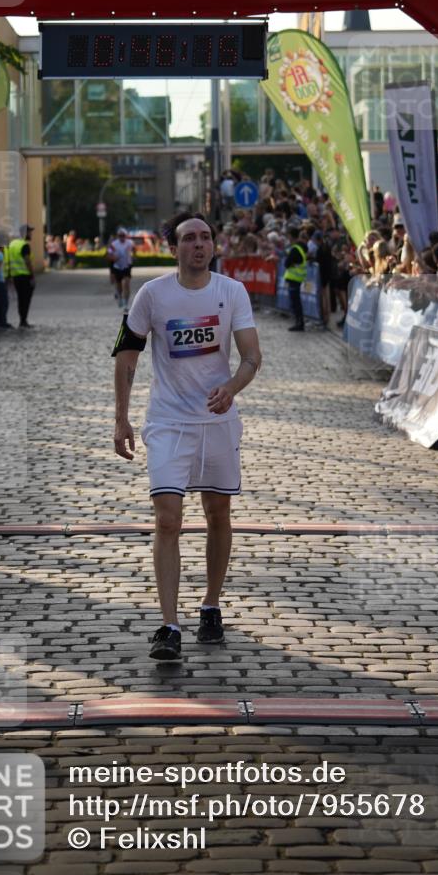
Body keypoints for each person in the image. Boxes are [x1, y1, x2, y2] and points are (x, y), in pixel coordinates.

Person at [112, 214, 261, 662]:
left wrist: (231, 388)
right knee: (167, 520)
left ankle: (211, 605)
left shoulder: (232, 292)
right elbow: (126, 357)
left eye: (206, 237)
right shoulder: (152, 295)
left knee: (218, 514)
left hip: (216, 422)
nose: (199, 244)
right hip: (169, 422)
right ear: (173, 248)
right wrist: (121, 419)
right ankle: (169, 625)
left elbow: (251, 357)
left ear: (214, 245)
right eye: (189, 238)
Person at [8, 223, 35, 328]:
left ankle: (22, 320)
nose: (31, 234)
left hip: (15, 275)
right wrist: (32, 275)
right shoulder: (24, 245)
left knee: (20, 298)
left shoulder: (12, 244)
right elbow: (27, 261)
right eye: (30, 232)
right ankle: (23, 321)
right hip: (25, 275)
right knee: (25, 299)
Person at [284, 224, 307, 332]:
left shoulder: (295, 249)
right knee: (296, 302)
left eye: (288, 235)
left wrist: (290, 262)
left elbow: (286, 263)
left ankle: (299, 323)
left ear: (291, 236)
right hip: (297, 279)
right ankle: (298, 322)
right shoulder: (300, 247)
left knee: (296, 303)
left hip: (294, 279)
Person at [108, 227, 136, 311]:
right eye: (120, 236)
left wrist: (134, 256)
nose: (122, 237)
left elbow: (134, 249)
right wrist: (113, 258)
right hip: (117, 266)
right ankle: (120, 297)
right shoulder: (114, 244)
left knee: (127, 284)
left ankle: (126, 304)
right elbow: (109, 254)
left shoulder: (130, 243)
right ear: (118, 236)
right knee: (119, 285)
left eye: (123, 235)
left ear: (126, 236)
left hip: (127, 265)